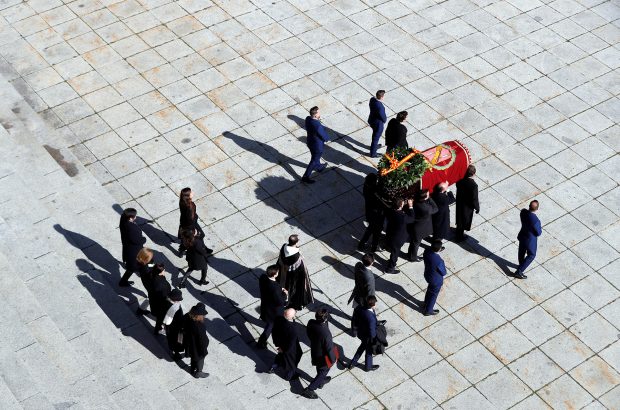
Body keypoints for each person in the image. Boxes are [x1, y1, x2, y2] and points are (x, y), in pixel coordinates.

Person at [303, 308, 336, 399]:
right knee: (323, 371)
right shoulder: (326, 334)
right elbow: (329, 349)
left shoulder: (311, 322)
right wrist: (333, 360)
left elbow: (308, 333)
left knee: (320, 368)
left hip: (315, 350)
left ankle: (320, 381)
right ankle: (310, 389)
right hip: (323, 356)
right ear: (325, 318)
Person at [277, 235, 313, 310]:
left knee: (284, 285)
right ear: (296, 242)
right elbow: (301, 269)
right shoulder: (296, 256)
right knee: (293, 289)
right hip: (293, 276)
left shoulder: (284, 247)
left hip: (284, 272)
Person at [257, 265, 288, 349]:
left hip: (266, 306)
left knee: (269, 324)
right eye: (277, 272)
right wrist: (285, 294)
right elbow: (280, 302)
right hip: (273, 311)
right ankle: (261, 342)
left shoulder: (263, 278)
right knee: (269, 326)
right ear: (274, 275)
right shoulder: (275, 288)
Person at [269, 308, 302, 381]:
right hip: (288, 348)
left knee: (280, 356)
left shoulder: (278, 319)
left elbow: (274, 331)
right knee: (293, 360)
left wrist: (278, 345)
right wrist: (283, 349)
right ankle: (289, 376)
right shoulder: (293, 329)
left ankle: (273, 367)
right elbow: (291, 344)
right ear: (293, 317)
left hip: (280, 343)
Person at [384, 198, 415, 274]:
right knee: (395, 253)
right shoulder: (402, 217)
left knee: (392, 247)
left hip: (390, 233)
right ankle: (390, 268)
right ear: (400, 206)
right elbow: (412, 219)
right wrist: (411, 207)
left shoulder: (390, 211)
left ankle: (388, 247)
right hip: (397, 238)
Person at [178, 187, 212, 256]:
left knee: (199, 236)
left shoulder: (183, 201)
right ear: (188, 196)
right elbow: (190, 220)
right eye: (191, 192)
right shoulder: (189, 207)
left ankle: (203, 248)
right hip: (189, 226)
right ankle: (182, 249)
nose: (193, 193)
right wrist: (194, 231)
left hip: (187, 224)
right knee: (189, 238)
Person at [349, 295, 379, 372]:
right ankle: (368, 367)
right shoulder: (371, 318)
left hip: (361, 333)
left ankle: (352, 363)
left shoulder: (360, 308)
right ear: (372, 305)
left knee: (362, 347)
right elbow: (372, 333)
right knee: (368, 351)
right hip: (368, 337)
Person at [407, 189, 438, 262]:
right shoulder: (426, 208)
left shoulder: (416, 201)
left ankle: (410, 254)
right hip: (420, 228)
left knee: (414, 242)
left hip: (416, 224)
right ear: (425, 197)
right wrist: (429, 198)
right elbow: (436, 209)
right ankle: (412, 257)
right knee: (416, 243)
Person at [514, 200, 542, 279]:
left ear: (529, 206)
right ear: (537, 209)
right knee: (531, 255)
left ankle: (521, 264)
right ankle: (519, 271)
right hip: (530, 240)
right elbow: (538, 233)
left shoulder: (523, 212)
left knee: (521, 251)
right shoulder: (535, 220)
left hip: (522, 235)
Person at [119, 208, 146, 287]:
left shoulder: (123, 222)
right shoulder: (132, 228)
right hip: (134, 252)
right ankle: (123, 282)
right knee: (134, 267)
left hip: (128, 249)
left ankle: (123, 281)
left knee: (131, 268)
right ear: (130, 218)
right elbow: (137, 241)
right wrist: (144, 239)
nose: (136, 218)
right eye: (134, 216)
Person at [358, 173, 385, 253]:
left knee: (370, 229)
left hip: (370, 213)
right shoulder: (374, 191)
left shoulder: (366, 187)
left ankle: (362, 244)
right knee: (376, 231)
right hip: (376, 214)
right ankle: (374, 247)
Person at [302, 106, 330, 184]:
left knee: (315, 156)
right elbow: (323, 135)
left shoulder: (308, 118)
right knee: (314, 160)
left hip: (310, 142)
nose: (320, 114)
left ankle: (319, 167)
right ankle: (306, 176)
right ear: (315, 115)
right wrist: (327, 138)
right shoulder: (317, 125)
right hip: (317, 145)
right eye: (319, 112)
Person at [183, 303, 209, 378]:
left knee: (193, 356)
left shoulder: (187, 316)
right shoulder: (200, 326)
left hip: (189, 343)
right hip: (197, 346)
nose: (204, 316)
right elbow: (202, 340)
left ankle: (192, 368)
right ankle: (199, 372)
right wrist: (204, 349)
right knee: (200, 357)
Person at [455, 165, 480, 242]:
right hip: (467, 206)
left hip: (460, 202)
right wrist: (477, 207)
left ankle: (458, 230)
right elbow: (475, 198)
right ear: (473, 174)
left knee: (459, 217)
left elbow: (457, 186)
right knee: (464, 219)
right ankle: (459, 236)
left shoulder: (460, 180)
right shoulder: (474, 185)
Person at [422, 240, 447, 316]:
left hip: (428, 275)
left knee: (429, 290)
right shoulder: (439, 261)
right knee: (433, 295)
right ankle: (428, 310)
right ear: (439, 249)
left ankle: (425, 304)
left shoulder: (426, 251)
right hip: (435, 280)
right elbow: (443, 272)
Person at [432, 181, 455, 248]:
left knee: (437, 229)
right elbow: (453, 199)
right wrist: (448, 191)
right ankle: (437, 245)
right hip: (442, 217)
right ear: (443, 190)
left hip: (436, 215)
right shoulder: (444, 198)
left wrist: (445, 188)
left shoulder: (434, 194)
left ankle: (435, 240)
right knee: (440, 232)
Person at [163, 288, 184, 360]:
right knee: (177, 341)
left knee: (171, 339)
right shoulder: (174, 307)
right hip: (176, 328)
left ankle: (173, 349)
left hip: (170, 327)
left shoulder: (166, 301)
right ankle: (176, 354)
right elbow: (170, 320)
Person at [150, 263, 171, 334]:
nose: (165, 271)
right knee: (160, 319)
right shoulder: (162, 285)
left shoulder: (153, 276)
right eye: (164, 270)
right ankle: (157, 330)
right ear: (161, 272)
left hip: (153, 300)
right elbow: (165, 296)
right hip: (160, 305)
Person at [136, 247, 155, 316]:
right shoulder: (145, 269)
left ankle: (141, 309)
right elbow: (151, 277)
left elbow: (150, 264)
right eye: (150, 257)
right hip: (149, 284)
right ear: (145, 259)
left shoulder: (142, 263)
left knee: (150, 297)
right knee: (151, 297)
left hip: (147, 282)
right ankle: (140, 310)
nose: (152, 258)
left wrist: (154, 266)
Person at [368, 90, 387, 158]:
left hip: (371, 120)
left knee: (374, 137)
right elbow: (383, 117)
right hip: (378, 124)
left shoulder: (372, 99)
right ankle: (373, 153)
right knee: (375, 138)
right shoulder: (380, 106)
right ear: (382, 97)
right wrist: (385, 120)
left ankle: (374, 146)